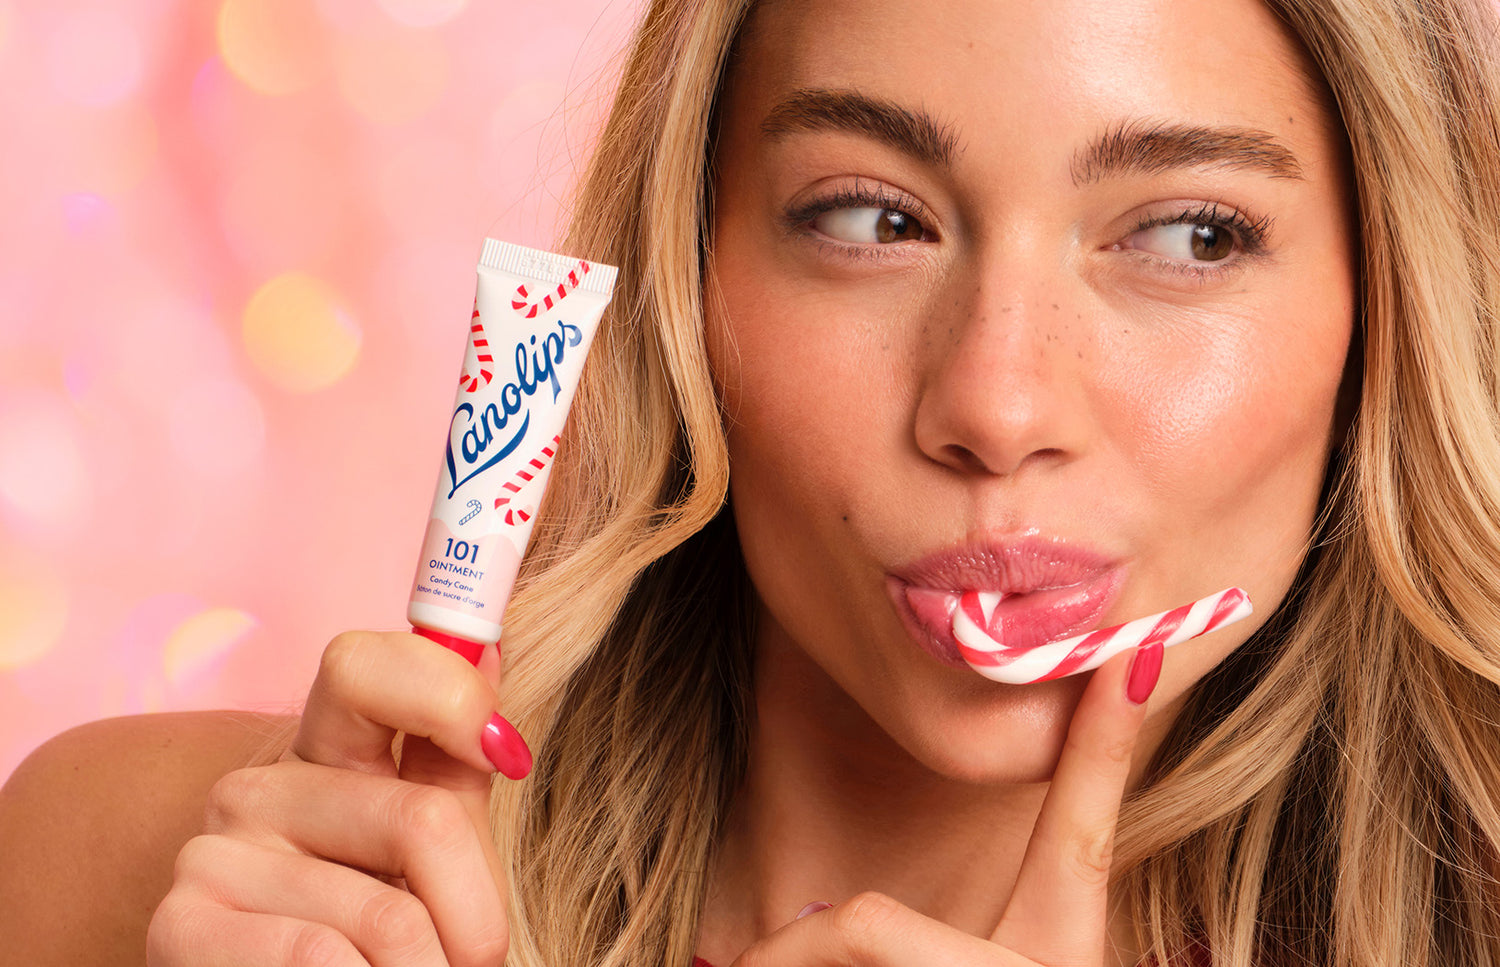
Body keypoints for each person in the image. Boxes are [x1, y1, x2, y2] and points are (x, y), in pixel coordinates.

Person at [5, 0, 1500, 963]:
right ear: (692, 281)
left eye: (1189, 236)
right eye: (871, 219)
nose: (996, 406)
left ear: (1384, 307)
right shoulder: (151, 875)